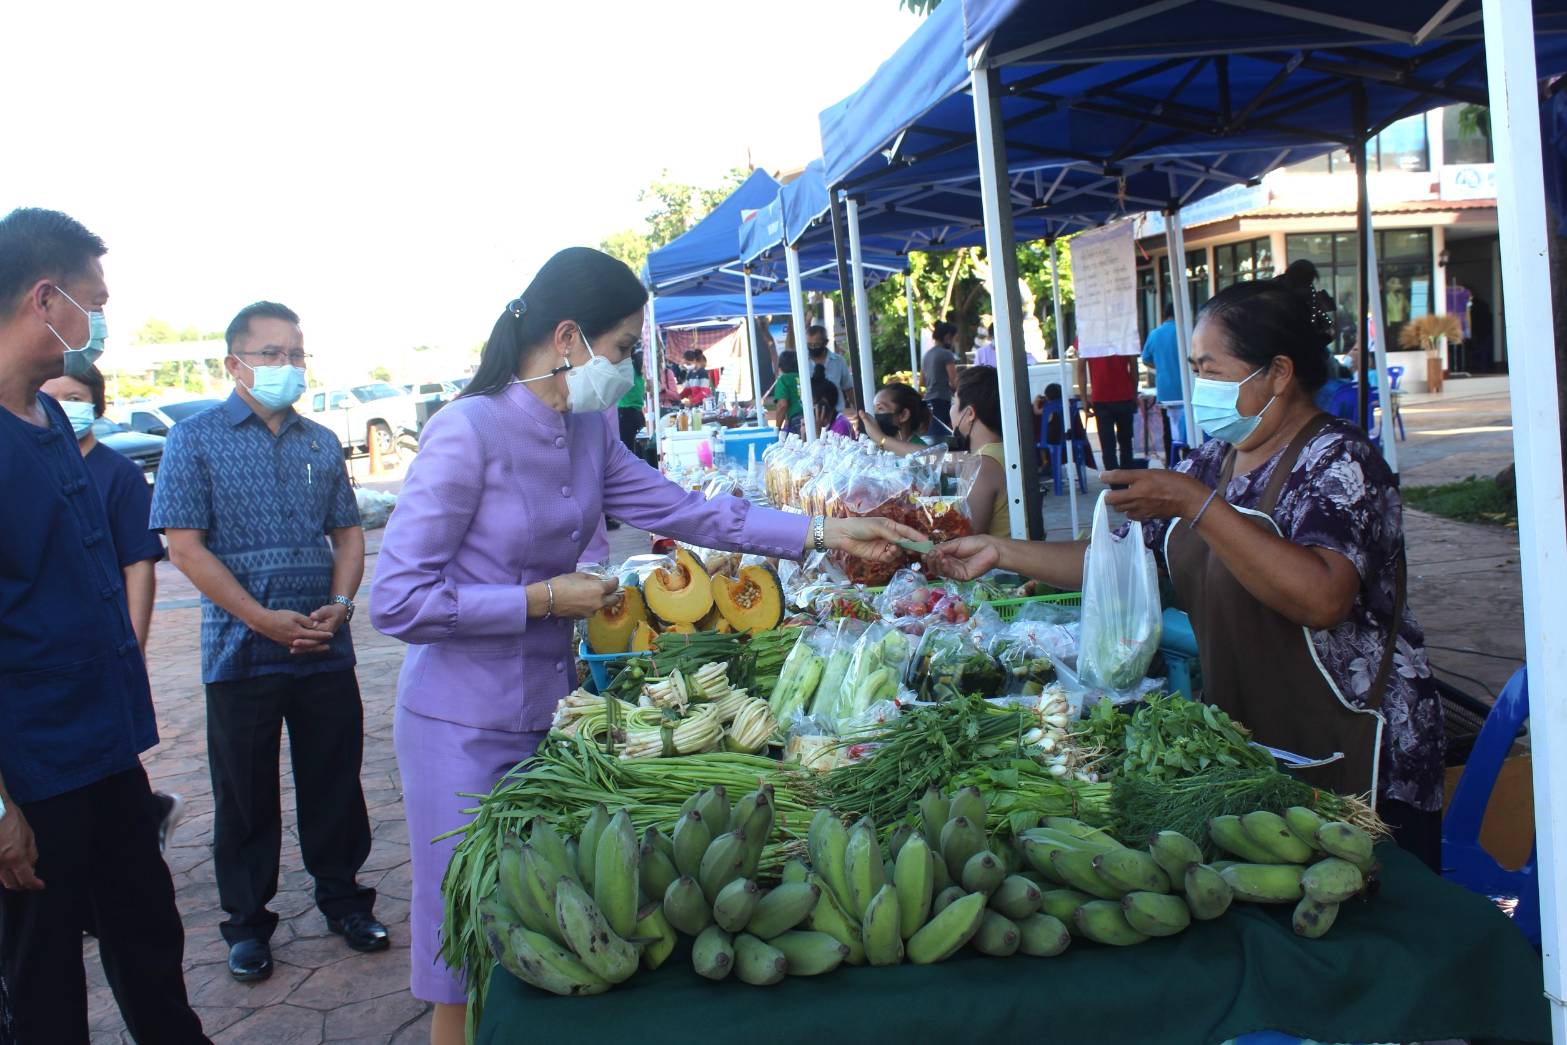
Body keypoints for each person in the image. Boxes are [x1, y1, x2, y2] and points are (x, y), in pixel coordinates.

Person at [367, 247, 921, 1045]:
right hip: (458, 724)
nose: (628, 372)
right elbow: (398, 598)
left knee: (547, 916)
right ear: (568, 337)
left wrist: (821, 528)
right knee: (461, 931)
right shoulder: (468, 432)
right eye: (624, 349)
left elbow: (694, 513)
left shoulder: (586, 428)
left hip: (558, 719)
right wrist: (544, 599)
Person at [932, 276, 1446, 869]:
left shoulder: (1340, 459)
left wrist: (1196, 505)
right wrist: (1000, 552)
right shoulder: (1215, 462)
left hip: (1359, 749)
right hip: (1257, 739)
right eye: (1195, 368)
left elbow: (1323, 597)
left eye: (1213, 369)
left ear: (1278, 374)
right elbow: (1117, 558)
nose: (1200, 386)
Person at [0, 207, 208, 1042]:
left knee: (147, 930)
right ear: (45, 299)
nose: (100, 321)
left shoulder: (50, 420)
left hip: (103, 748)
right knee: (44, 976)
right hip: (30, 765)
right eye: (93, 301)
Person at [150, 301, 387, 984]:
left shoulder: (318, 440)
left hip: (322, 647)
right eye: (271, 354)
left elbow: (346, 533)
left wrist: (341, 606)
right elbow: (184, 547)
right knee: (245, 796)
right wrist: (259, 616)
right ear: (234, 364)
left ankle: (344, 900)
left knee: (334, 782)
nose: (287, 367)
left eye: (296, 354)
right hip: (239, 653)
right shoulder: (193, 440)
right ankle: (248, 924)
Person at [39, 364, 186, 852]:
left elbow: (137, 564)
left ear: (96, 404)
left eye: (74, 395)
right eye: (51, 395)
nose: (62, 405)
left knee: (113, 750)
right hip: (54, 650)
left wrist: (133, 642)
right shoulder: (31, 465)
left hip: (107, 644)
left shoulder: (116, 473)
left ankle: (141, 820)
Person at [948, 365, 1010, 538]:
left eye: (954, 402)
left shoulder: (983, 465)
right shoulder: (1000, 450)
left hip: (998, 564)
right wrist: (883, 440)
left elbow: (968, 537)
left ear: (969, 414)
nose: (951, 409)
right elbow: (934, 459)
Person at [1077, 350, 1139, 471]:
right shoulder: (1125, 332)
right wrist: (1134, 393)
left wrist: (1084, 398)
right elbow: (1133, 366)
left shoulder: (1087, 334)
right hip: (1124, 395)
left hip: (1101, 397)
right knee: (1126, 444)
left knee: (1107, 447)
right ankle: (1126, 481)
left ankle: (1116, 485)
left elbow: (1080, 369)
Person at [1141, 301, 1186, 458]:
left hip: (1165, 390)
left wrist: (1160, 365)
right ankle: (1189, 460)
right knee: (1188, 429)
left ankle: (1171, 461)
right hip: (1185, 389)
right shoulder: (1185, 331)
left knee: (1168, 428)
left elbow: (1145, 358)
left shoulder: (1155, 334)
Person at [857, 381, 932, 454]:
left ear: (904, 415)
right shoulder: (879, 448)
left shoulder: (921, 451)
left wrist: (880, 438)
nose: (875, 416)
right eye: (875, 410)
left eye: (880, 409)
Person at [806, 325, 855, 414]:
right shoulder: (802, 363)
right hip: (809, 415)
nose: (813, 348)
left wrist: (858, 410)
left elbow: (848, 388)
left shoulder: (839, 361)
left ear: (825, 342)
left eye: (816, 345)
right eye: (809, 345)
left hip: (836, 413)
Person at [921, 320, 959, 423]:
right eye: (954, 339)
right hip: (942, 400)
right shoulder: (946, 354)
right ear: (947, 337)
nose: (954, 342)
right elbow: (954, 381)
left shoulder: (926, 355)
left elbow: (922, 382)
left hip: (928, 400)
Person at [762, 349, 804, 434]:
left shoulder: (783, 380)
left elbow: (782, 405)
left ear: (780, 367)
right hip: (812, 418)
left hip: (796, 420)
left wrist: (777, 428)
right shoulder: (805, 376)